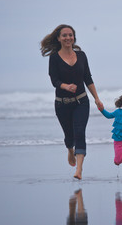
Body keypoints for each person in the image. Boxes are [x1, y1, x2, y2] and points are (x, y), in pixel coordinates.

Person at [41, 24, 103, 180]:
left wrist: (96, 98)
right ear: (59, 38)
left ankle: (79, 170)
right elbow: (54, 80)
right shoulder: (54, 58)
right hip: (62, 103)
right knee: (70, 136)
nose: (68, 38)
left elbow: (88, 78)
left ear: (74, 37)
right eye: (64, 35)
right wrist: (65, 86)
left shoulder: (81, 55)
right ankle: (70, 149)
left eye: (70, 35)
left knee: (80, 132)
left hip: (81, 101)